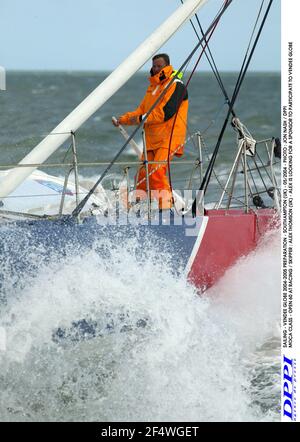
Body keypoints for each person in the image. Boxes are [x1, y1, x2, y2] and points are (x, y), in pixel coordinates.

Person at [112, 53, 188, 210]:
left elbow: (166, 112)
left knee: (156, 172)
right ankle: (136, 209)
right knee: (142, 176)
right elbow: (142, 110)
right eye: (154, 65)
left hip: (170, 137)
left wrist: (141, 119)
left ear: (167, 66)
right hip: (152, 139)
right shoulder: (153, 86)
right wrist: (124, 119)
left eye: (159, 66)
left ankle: (166, 209)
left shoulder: (177, 85)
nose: (156, 68)